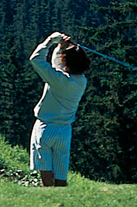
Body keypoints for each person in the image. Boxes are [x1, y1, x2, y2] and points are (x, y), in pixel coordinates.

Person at [28, 31, 91, 187]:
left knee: (45, 171)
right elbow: (59, 66)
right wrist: (61, 48)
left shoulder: (58, 79)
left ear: (67, 63)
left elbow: (35, 59)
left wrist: (49, 41)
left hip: (45, 127)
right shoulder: (81, 81)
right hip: (64, 131)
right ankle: (63, 200)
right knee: (61, 173)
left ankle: (49, 200)